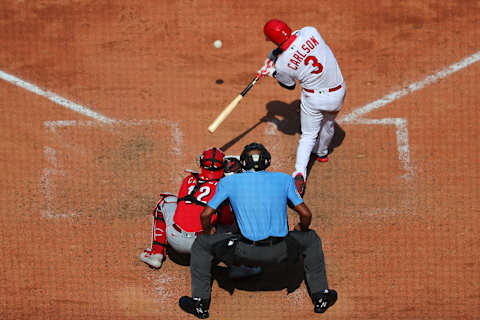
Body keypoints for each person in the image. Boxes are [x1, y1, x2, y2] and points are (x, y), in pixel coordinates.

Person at [179, 142, 337, 319]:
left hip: (245, 252)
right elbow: (306, 214)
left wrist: (209, 233)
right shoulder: (285, 179)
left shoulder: (229, 182)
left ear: (243, 163)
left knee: (201, 244)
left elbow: (205, 215)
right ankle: (321, 296)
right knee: (311, 238)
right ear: (267, 161)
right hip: (282, 250)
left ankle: (199, 302)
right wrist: (300, 228)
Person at [258, 19, 346, 196]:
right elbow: (293, 40)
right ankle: (322, 153)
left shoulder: (283, 65)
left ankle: (299, 173)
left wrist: (272, 70)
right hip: (338, 93)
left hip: (313, 99)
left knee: (308, 136)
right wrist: (277, 54)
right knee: (329, 123)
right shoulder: (310, 31)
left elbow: (289, 85)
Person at [140, 148, 260, 278]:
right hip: (202, 244)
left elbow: (181, 205)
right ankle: (237, 267)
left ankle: (156, 254)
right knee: (239, 219)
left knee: (166, 201)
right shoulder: (223, 188)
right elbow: (227, 220)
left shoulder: (188, 179)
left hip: (174, 238)